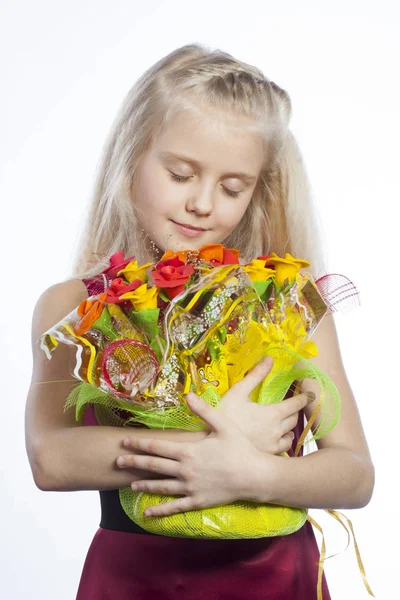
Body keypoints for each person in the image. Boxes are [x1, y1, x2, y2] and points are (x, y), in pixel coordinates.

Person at [25, 43, 375, 599]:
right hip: (136, 581)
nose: (203, 204)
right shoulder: (75, 304)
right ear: (131, 157)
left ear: (258, 191)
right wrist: (214, 443)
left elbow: (354, 472)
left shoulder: (287, 303)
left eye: (233, 187)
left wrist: (253, 472)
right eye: (182, 174)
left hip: (274, 578)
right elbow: (52, 457)